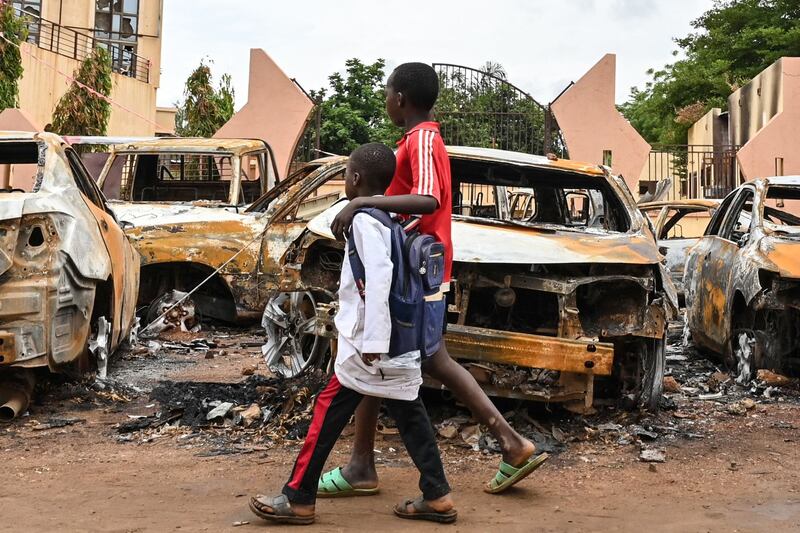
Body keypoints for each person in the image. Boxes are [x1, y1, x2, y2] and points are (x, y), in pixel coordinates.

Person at [325, 62, 547, 497]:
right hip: (416, 269)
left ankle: (511, 443)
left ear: (401, 99)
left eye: (387, 93)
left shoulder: (423, 139)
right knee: (389, 356)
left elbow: (428, 199)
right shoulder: (413, 139)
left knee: (424, 359)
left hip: (417, 273)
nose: (385, 100)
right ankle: (361, 464)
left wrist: (365, 202)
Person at [249, 143, 457, 525]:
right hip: (399, 339)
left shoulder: (365, 221)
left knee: (327, 411)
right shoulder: (390, 218)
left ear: (356, 179)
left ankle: (297, 498)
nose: (344, 180)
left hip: (371, 344)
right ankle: (437, 494)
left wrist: (374, 342)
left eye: (345, 174)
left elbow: (378, 279)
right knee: (411, 414)